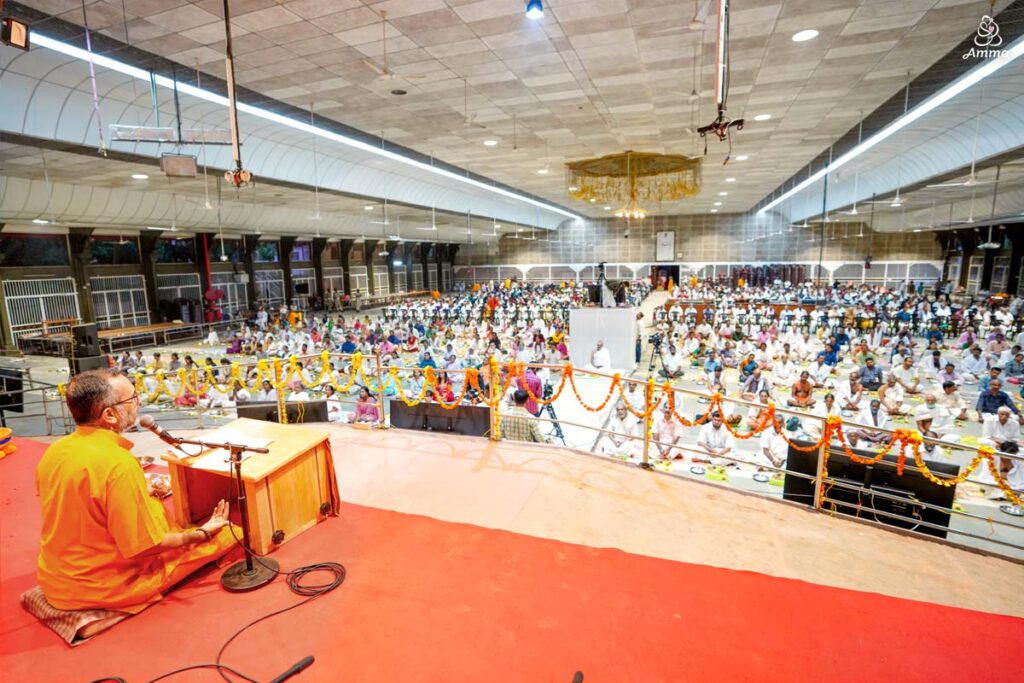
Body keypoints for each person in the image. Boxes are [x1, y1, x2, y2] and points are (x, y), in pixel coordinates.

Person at [34, 369, 235, 636]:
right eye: (133, 399)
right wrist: (202, 533)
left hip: (55, 578)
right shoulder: (117, 463)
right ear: (109, 414)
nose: (138, 404)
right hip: (104, 584)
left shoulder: (55, 451)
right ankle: (104, 613)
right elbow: (145, 547)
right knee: (232, 535)